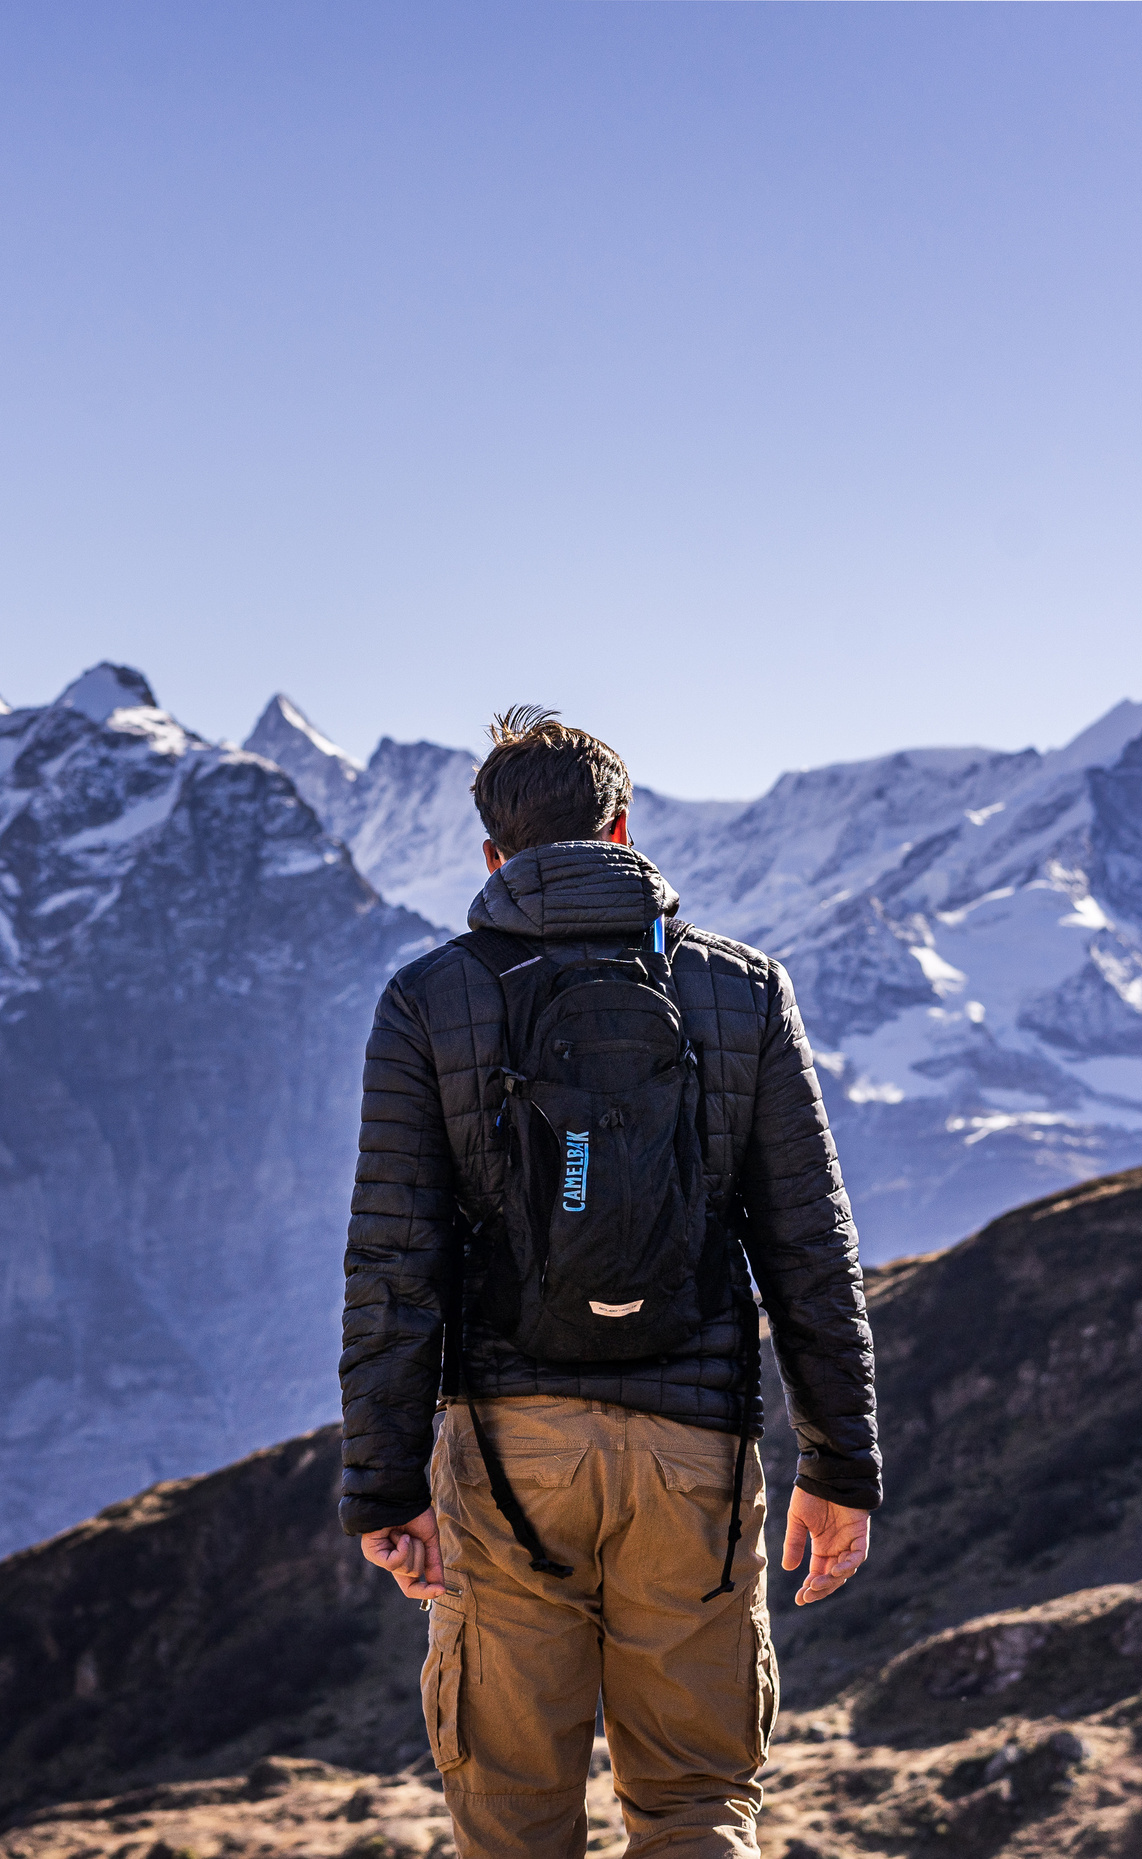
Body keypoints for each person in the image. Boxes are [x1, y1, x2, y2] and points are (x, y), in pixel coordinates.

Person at [337, 706, 880, 1858]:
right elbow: (808, 1245)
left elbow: (394, 1257)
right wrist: (840, 1464)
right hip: (694, 1450)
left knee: (514, 1821)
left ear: (493, 854)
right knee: (695, 1805)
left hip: (506, 1455)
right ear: (623, 828)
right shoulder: (741, 988)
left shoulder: (429, 999)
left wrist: (383, 1486)